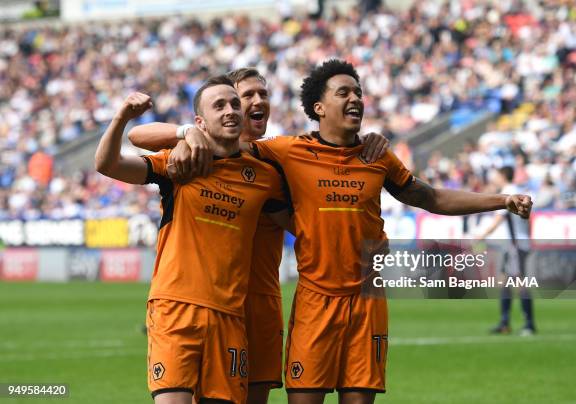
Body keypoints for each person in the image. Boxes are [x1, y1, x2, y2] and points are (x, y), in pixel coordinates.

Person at [247, 59, 532, 404]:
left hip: (368, 302)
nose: (355, 98)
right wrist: (187, 138)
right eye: (343, 92)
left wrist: (501, 200)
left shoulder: (378, 157)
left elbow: (432, 197)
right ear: (318, 107)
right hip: (315, 302)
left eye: (358, 92)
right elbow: (232, 145)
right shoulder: (287, 152)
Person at [128, 67, 389, 404]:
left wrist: (367, 141)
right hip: (210, 301)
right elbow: (137, 137)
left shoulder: (276, 162)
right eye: (246, 95)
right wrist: (186, 134)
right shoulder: (201, 153)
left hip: (261, 303)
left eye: (262, 94)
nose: (255, 101)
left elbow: (318, 200)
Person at [94, 75, 289, 404]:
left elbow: (302, 225)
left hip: (230, 316)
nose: (230, 110)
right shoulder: (180, 163)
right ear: (199, 121)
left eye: (234, 104)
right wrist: (122, 116)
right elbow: (108, 164)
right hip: (175, 308)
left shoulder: (265, 176)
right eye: (220, 105)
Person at [478, 166, 536, 336]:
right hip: (517, 243)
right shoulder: (518, 191)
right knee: (504, 281)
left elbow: (498, 219)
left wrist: (480, 236)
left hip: (515, 245)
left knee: (519, 283)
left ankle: (529, 324)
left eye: (496, 174)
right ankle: (504, 322)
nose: (494, 177)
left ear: (502, 175)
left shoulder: (508, 193)